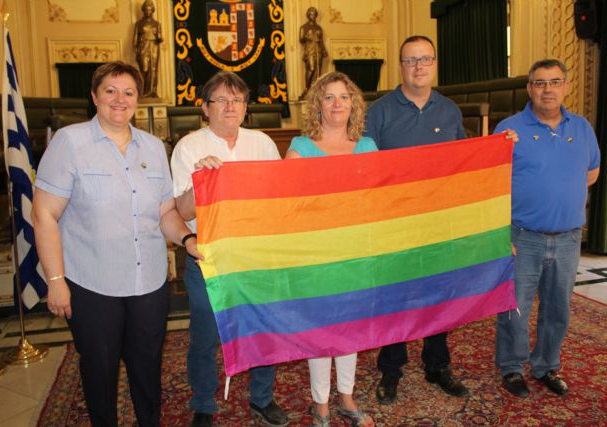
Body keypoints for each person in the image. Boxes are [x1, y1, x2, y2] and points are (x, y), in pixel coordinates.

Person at [32, 61, 201, 427]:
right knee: (99, 370)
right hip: (93, 284)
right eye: (110, 91)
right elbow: (44, 214)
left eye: (128, 92)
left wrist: (187, 238)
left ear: (138, 100)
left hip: (149, 284)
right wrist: (56, 280)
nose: (119, 100)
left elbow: (165, 213)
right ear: (94, 96)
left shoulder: (154, 147)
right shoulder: (69, 143)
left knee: (147, 368)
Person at [170, 71, 289, 427]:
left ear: (246, 107)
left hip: (256, 256)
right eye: (220, 100)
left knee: (262, 328)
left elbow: (278, 199)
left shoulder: (263, 143)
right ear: (205, 108)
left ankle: (263, 398)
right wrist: (201, 180)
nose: (230, 106)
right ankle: (204, 403)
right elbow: (183, 211)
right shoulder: (188, 147)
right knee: (205, 335)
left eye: (236, 100)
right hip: (209, 257)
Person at [363, 35, 470, 404]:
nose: (419, 66)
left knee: (438, 295)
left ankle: (437, 365)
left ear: (435, 63)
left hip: (439, 222)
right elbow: (364, 165)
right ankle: (391, 369)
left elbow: (463, 161)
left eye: (425, 59)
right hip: (394, 223)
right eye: (411, 60)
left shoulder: (450, 110)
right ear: (401, 66)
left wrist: (501, 146)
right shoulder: (378, 111)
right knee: (395, 297)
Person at [495, 59, 600, 398]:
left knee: (558, 309)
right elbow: (490, 185)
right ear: (529, 89)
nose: (547, 89)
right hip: (522, 239)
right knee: (515, 310)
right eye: (539, 83)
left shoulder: (582, 127)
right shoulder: (509, 130)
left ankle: (546, 366)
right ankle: (512, 368)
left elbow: (592, 172)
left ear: (566, 86)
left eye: (554, 82)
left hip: (569, 240)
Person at [286, 71, 376, 427]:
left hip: (355, 250)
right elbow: (288, 204)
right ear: (317, 105)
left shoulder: (368, 147)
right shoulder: (300, 148)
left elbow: (378, 198)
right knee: (321, 327)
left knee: (350, 327)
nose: (337, 104)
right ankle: (321, 403)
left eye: (343, 96)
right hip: (317, 252)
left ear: (353, 103)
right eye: (329, 97)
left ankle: (348, 397)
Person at [134, 0, 162, 98]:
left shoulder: (157, 24)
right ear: (143, 10)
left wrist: (159, 37)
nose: (148, 12)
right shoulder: (139, 24)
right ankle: (143, 91)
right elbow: (135, 40)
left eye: (150, 10)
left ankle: (153, 91)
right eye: (146, 10)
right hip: (143, 47)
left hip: (154, 47)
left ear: (152, 10)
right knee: (144, 69)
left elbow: (160, 38)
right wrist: (136, 51)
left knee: (153, 70)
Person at [299, 7, 327, 99]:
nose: (313, 16)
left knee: (318, 71)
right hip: (310, 49)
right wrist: (308, 36)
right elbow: (301, 39)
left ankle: (317, 90)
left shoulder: (319, 28)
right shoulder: (304, 27)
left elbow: (321, 40)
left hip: (318, 49)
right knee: (311, 69)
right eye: (311, 14)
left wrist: (324, 50)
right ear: (308, 15)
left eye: (314, 14)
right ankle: (307, 88)